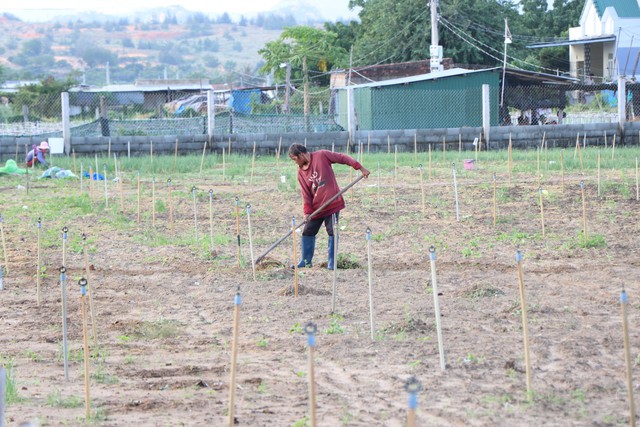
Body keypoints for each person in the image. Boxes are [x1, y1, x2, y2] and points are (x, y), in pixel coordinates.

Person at [289, 143, 370, 270]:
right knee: (307, 231)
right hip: (317, 209)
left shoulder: (322, 155)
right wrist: (307, 212)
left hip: (332, 204)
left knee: (332, 231)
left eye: (295, 159)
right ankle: (306, 261)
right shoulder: (301, 173)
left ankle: (332, 262)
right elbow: (305, 194)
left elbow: (342, 158)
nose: (295, 163)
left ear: (301, 154)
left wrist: (360, 168)